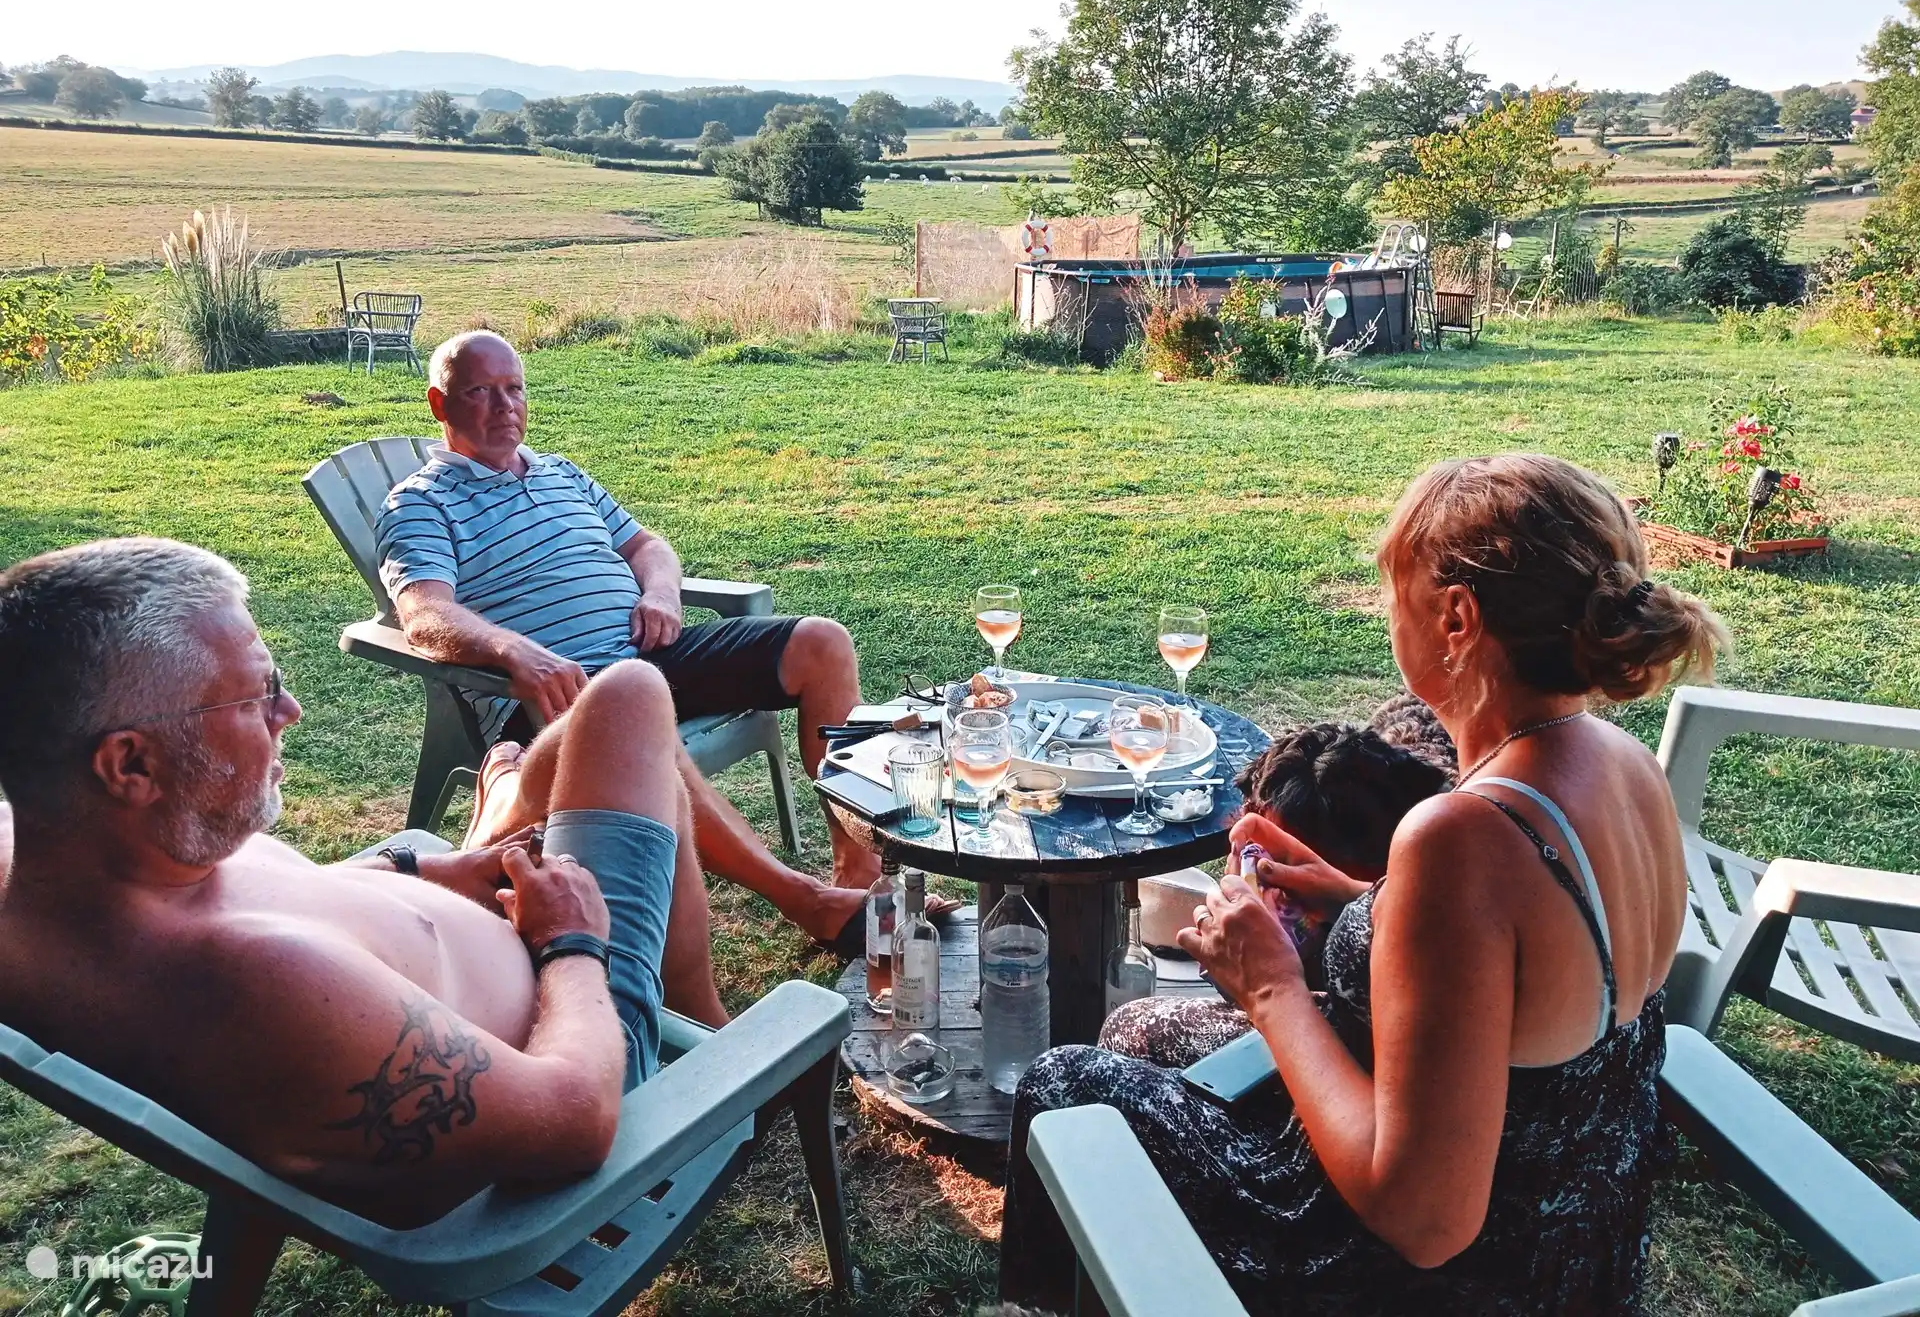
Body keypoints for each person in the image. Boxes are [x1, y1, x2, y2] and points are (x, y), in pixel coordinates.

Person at [1000, 454, 1730, 1315]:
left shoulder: (1464, 837)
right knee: (1142, 1035)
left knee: (1063, 1082)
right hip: (1577, 1241)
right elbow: (1536, 984)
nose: (1388, 614)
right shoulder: (1627, 768)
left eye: (1394, 592)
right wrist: (1360, 903)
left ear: (1456, 617)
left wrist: (1271, 987)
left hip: (1426, 1274)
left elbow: (1424, 1220)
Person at [0, 537, 700, 1224]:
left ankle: (505, 800)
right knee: (629, 697)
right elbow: (575, 1123)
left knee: (585, 747)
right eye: (254, 695)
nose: (289, 711)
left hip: (479, 962)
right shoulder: (257, 983)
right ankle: (714, 1037)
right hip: (575, 1045)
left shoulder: (65, 851)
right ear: (131, 766)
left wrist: (419, 867)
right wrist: (570, 942)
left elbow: (290, 903)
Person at [375, 329, 895, 958]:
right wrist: (515, 651)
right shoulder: (420, 504)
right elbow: (425, 613)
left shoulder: (560, 473)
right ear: (440, 404)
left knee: (822, 643)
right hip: (559, 692)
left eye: (514, 389)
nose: (504, 406)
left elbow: (648, 547)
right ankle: (804, 900)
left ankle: (860, 877)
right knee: (634, 710)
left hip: (647, 653)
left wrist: (661, 594)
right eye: (480, 392)